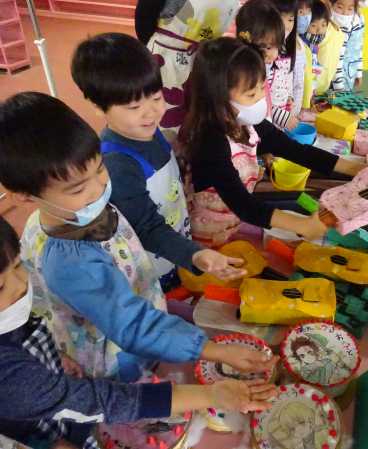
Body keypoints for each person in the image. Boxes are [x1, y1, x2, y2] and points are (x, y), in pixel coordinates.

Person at [0, 92, 278, 382]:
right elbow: (132, 326)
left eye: (100, 169)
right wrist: (213, 351)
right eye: (78, 189)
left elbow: (145, 227)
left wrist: (195, 254)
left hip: (146, 325)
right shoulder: (71, 263)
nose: (99, 188)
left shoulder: (80, 210)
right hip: (117, 354)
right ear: (24, 196)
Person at [0, 216, 276, 449]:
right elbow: (100, 402)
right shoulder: (10, 377)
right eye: (1, 286)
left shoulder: (11, 315)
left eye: (18, 266)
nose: (21, 285)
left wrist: (54, 357)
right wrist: (211, 395)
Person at [71, 32, 245, 291]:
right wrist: (194, 254)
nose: (152, 113)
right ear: (97, 105)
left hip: (175, 248)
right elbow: (146, 228)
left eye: (156, 98)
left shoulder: (150, 132)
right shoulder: (117, 163)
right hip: (153, 267)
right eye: (134, 107)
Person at [180, 37, 368, 246]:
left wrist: (356, 168)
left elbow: (296, 150)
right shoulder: (209, 142)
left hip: (232, 223)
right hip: (206, 235)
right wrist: (302, 225)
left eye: (262, 88)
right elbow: (242, 203)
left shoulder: (249, 124)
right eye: (251, 94)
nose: (261, 99)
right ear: (217, 98)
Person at [135, 0, 240, 142]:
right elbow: (145, 15)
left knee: (196, 121)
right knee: (162, 120)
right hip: (165, 57)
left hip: (203, 59)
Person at [235, 0, 299, 131]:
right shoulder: (243, 73)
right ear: (248, 42)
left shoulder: (263, 65)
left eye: (278, 47)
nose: (275, 55)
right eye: (268, 47)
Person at [300, 0, 344, 96]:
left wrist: (314, 87)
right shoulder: (302, 42)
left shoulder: (317, 42)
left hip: (319, 89)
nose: (319, 30)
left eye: (323, 25)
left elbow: (317, 66)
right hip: (303, 90)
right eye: (313, 25)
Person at [330, 0, 365, 91]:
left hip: (349, 74)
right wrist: (338, 86)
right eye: (340, 7)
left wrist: (358, 72)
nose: (345, 13)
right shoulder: (332, 24)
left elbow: (358, 49)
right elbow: (336, 57)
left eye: (350, 9)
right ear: (332, 5)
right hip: (334, 79)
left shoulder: (358, 20)